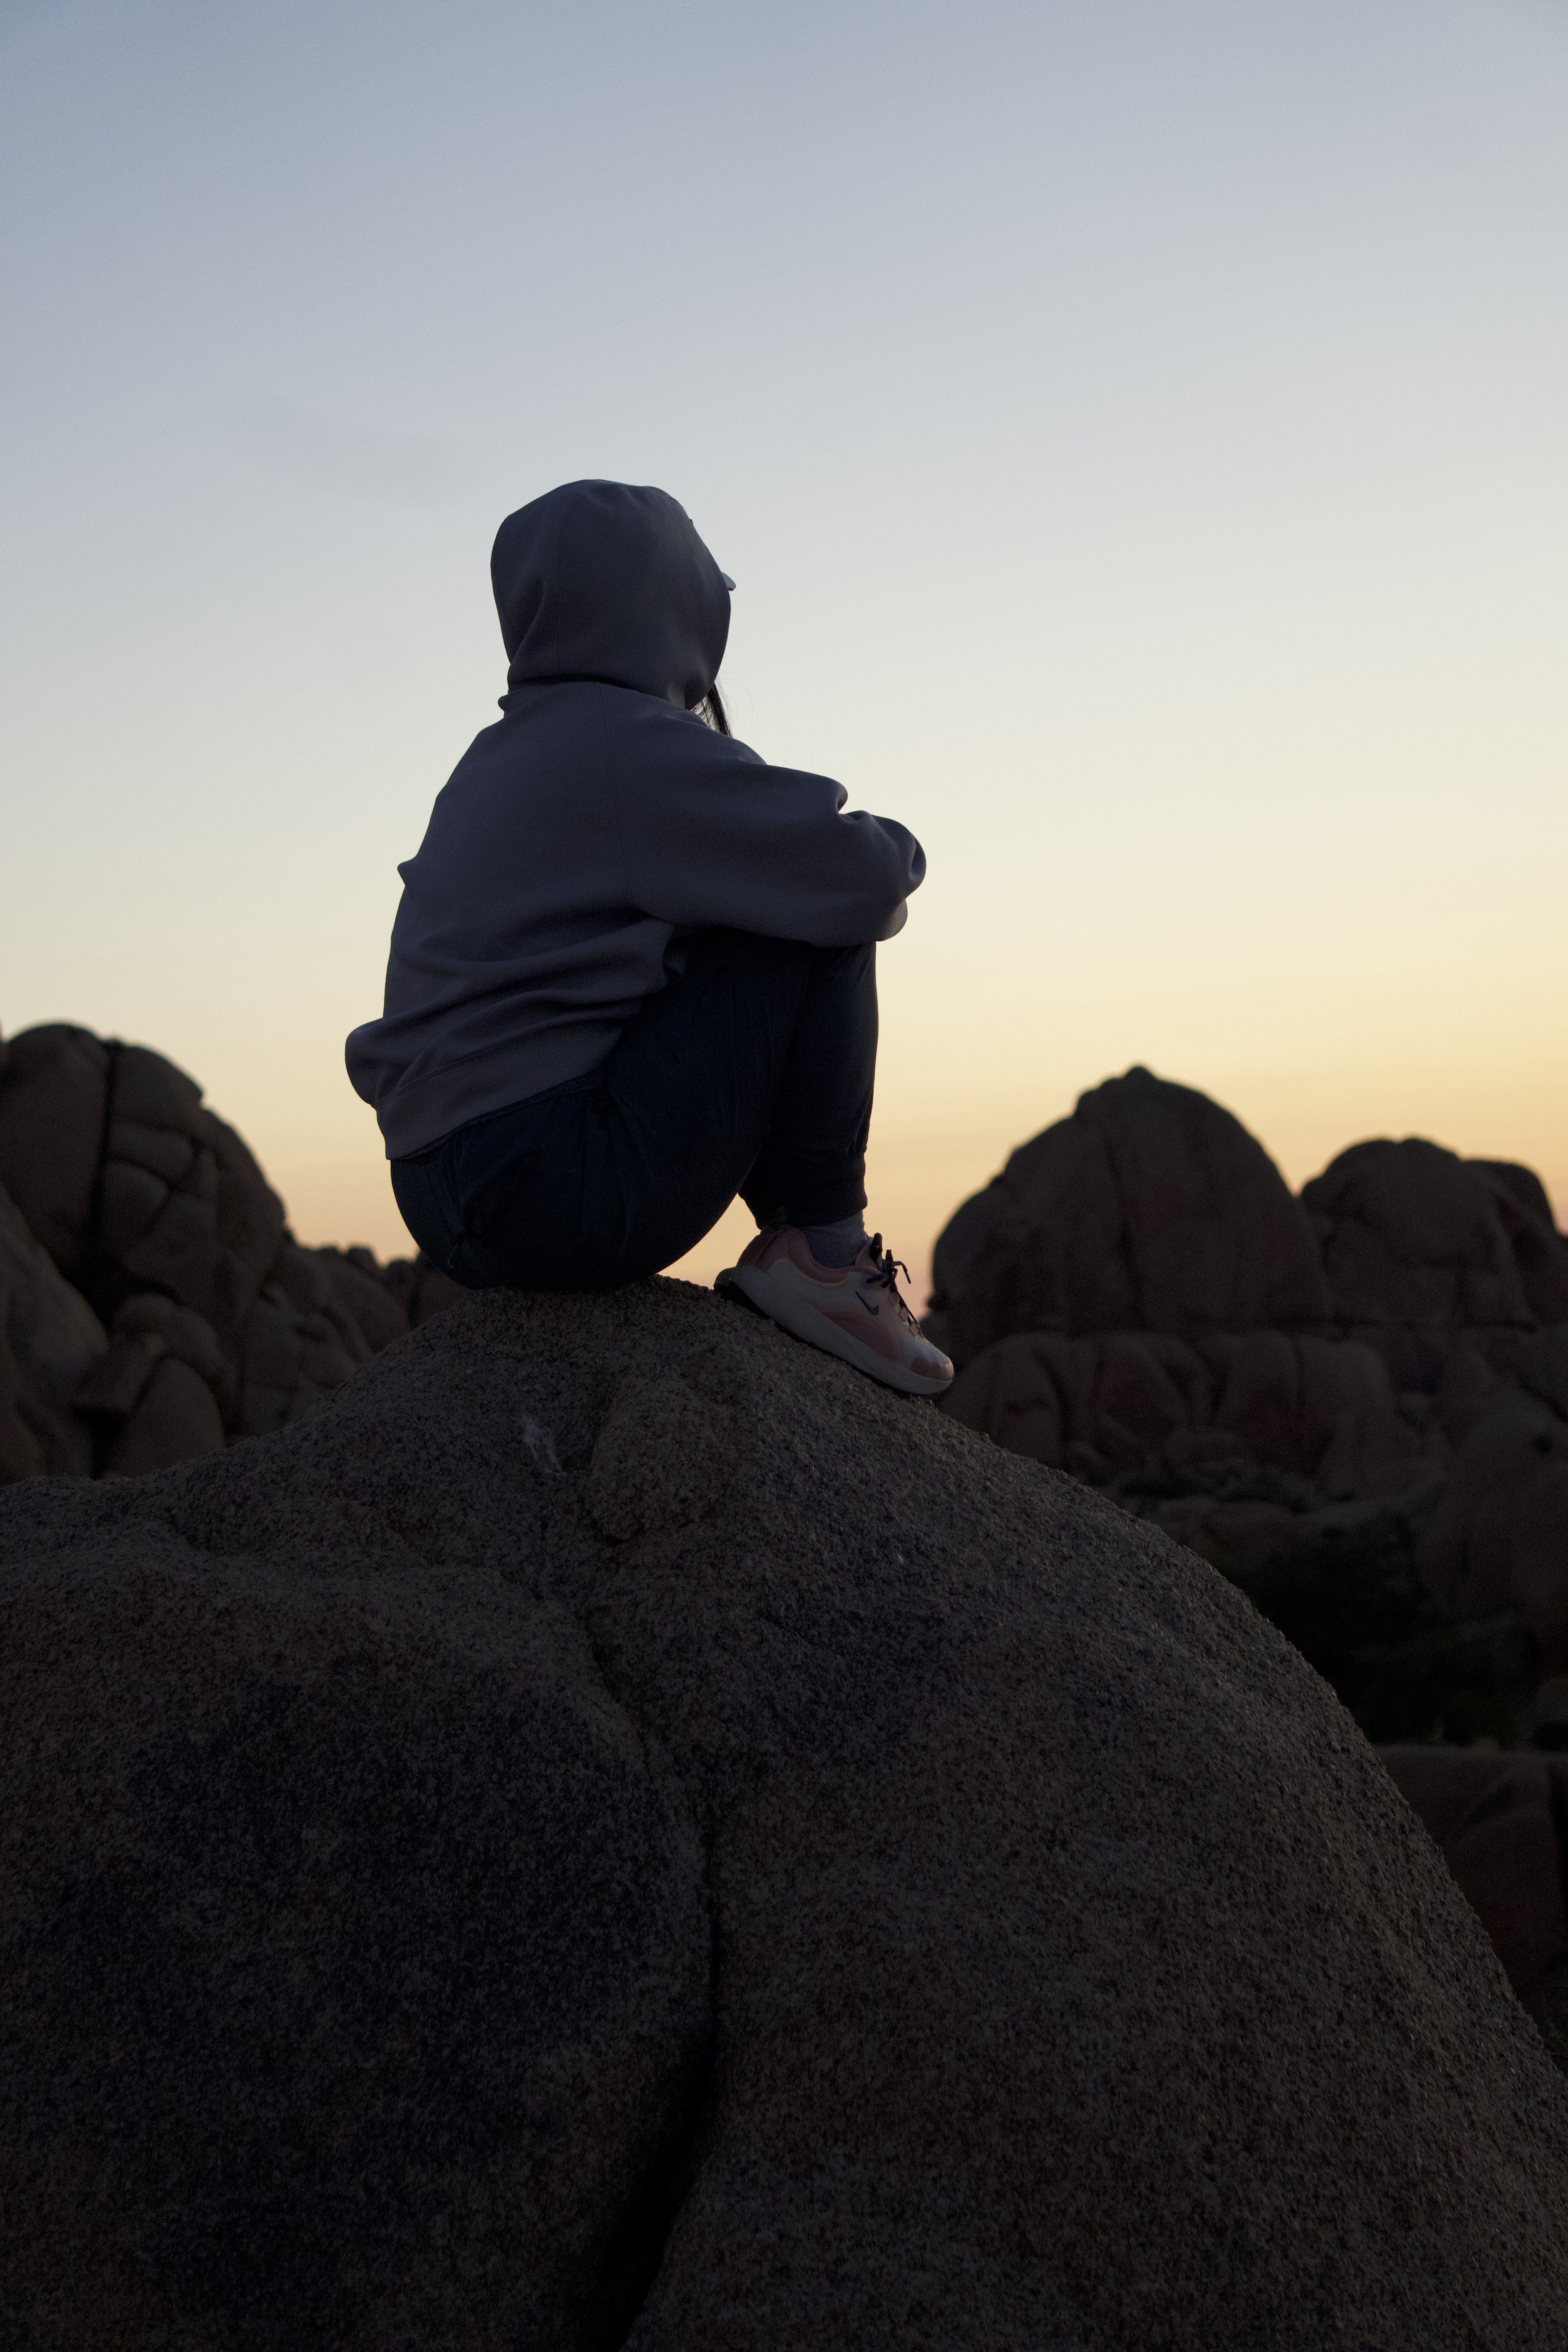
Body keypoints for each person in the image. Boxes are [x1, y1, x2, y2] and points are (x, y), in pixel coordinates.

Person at [346, 478, 952, 1398]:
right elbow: (862, 876)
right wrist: (905, 846)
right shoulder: (627, 745)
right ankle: (824, 1250)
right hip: (558, 1185)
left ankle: (803, 1247)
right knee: (808, 914)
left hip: (437, 1188)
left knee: (758, 895)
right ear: (679, 608)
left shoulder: (499, 755)